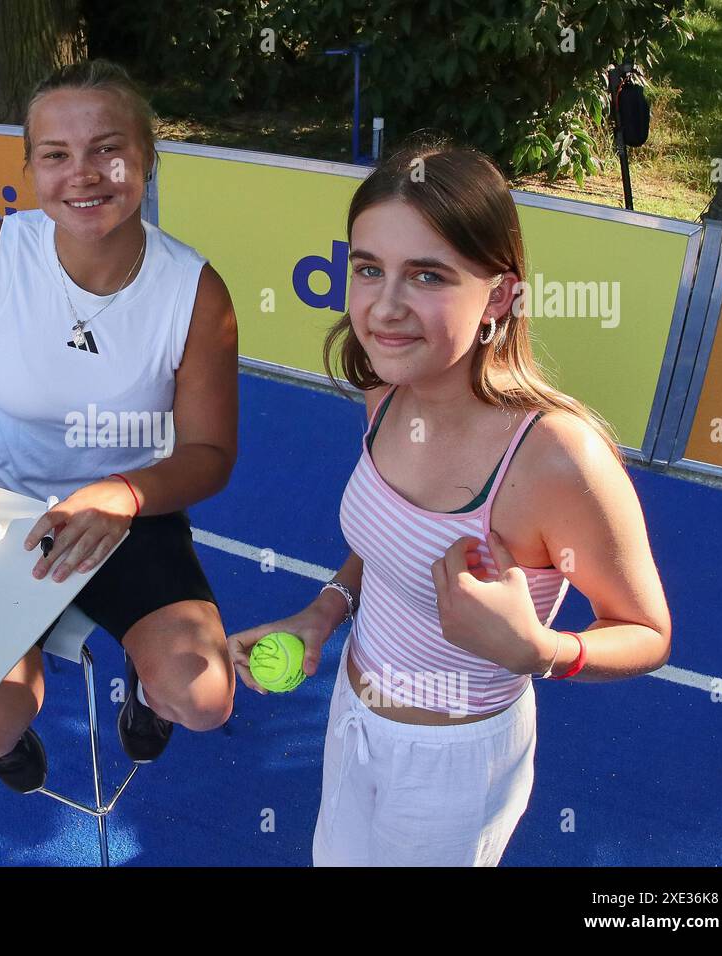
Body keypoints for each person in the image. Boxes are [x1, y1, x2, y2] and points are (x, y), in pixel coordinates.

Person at [229, 139, 672, 866]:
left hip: (456, 766)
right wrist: (325, 611)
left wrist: (542, 652)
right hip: (351, 713)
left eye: (428, 275)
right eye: (368, 268)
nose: (386, 306)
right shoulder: (385, 387)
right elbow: (389, 539)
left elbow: (647, 632)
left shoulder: (557, 459)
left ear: (498, 295)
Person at [0, 60, 239, 794]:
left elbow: (210, 455)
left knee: (204, 698)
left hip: (129, 507)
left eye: (107, 149)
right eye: (56, 155)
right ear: (29, 169)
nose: (82, 174)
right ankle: (4, 746)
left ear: (147, 160)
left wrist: (122, 493)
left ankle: (148, 694)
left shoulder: (196, 292)